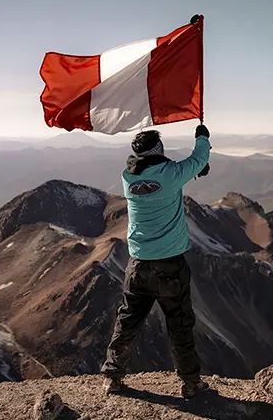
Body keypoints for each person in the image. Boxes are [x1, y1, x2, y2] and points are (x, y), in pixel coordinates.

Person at [101, 124, 212, 398]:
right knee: (180, 323)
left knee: (128, 320)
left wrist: (195, 168)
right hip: (170, 265)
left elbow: (172, 171)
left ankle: (112, 376)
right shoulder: (172, 174)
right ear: (159, 151)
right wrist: (202, 136)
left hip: (138, 264)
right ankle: (190, 383)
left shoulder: (128, 177)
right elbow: (199, 159)